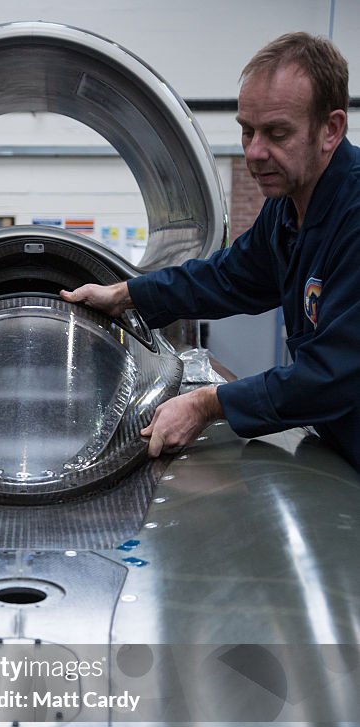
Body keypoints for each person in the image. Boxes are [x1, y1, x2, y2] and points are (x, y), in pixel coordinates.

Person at [61, 32, 360, 473]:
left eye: (277, 133)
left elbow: (333, 376)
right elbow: (227, 277)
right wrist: (125, 295)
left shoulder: (352, 218)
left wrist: (208, 403)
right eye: (246, 130)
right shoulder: (287, 210)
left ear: (330, 130)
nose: (255, 152)